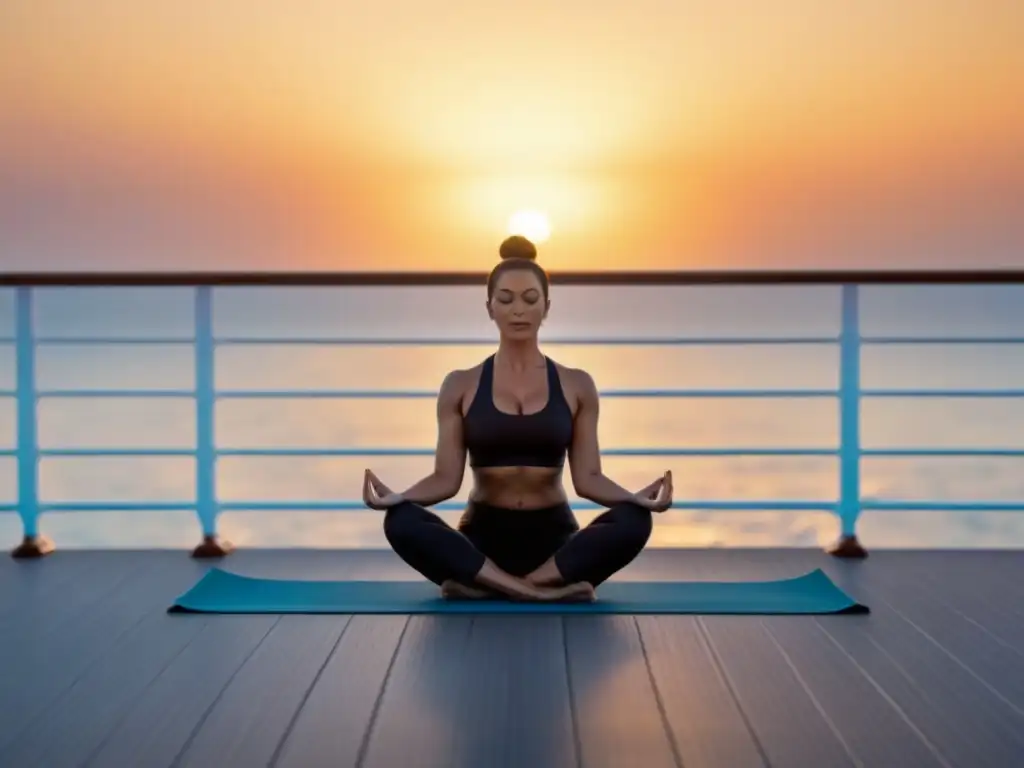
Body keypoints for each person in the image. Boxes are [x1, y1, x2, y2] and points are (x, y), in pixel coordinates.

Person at [363, 235, 673, 601]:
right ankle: (539, 592)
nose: (518, 310)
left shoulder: (577, 384)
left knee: (635, 521)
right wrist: (398, 497)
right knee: (400, 521)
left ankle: (498, 586)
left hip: (556, 543)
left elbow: (588, 479)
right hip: (481, 539)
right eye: (506, 300)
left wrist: (637, 500)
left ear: (546, 306)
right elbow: (445, 479)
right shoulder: (461, 384)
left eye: (530, 300)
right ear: (490, 307)